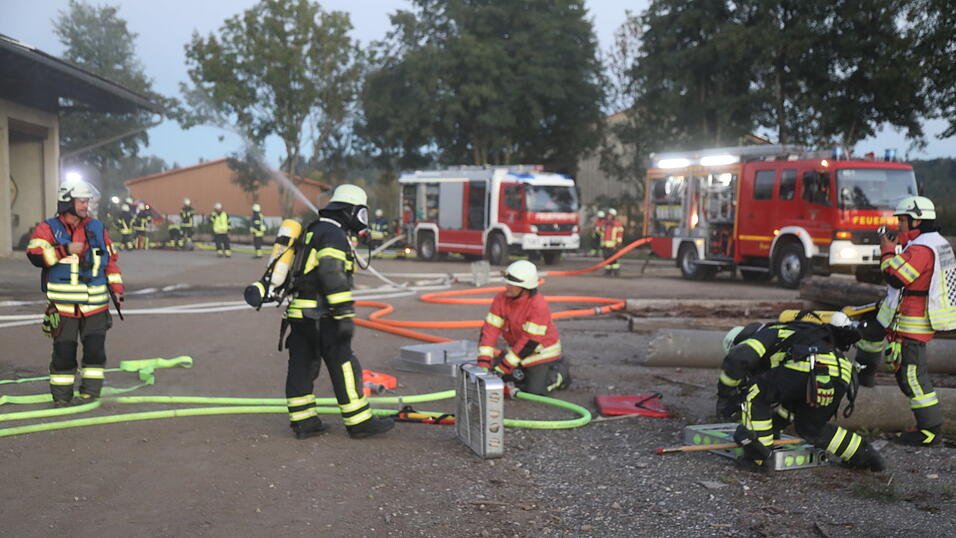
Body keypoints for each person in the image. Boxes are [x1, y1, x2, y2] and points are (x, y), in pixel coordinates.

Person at [279, 184, 394, 439]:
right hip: (323, 316)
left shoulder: (314, 229)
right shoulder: (333, 235)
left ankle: (304, 421)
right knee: (344, 363)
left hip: (299, 313)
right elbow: (331, 273)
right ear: (350, 211)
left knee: (302, 366)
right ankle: (359, 422)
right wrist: (343, 313)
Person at [716, 313, 884, 471]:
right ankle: (865, 456)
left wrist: (725, 394)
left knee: (755, 392)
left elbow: (739, 358)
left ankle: (756, 458)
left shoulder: (768, 333)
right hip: (841, 373)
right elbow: (791, 402)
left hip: (810, 363)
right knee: (811, 428)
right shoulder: (794, 341)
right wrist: (774, 427)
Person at [26, 179, 124, 407]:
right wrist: (64, 250)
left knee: (95, 353)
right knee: (63, 353)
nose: (86, 205)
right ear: (67, 202)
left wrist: (117, 290)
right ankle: (62, 397)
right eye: (81, 201)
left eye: (87, 201)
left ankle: (90, 394)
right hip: (63, 308)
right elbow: (35, 256)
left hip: (96, 307)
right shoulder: (48, 228)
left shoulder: (97, 228)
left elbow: (110, 262)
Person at [876, 195, 956, 446]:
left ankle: (929, 430)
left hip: (914, 322)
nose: (898, 225)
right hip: (916, 321)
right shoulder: (934, 243)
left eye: (902, 220)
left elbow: (896, 278)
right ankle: (926, 426)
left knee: (912, 376)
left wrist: (887, 251)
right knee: (907, 375)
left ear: (917, 220)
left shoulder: (921, 249)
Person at [476, 260, 571, 395]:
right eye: (507, 283)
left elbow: (529, 342)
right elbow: (489, 331)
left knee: (535, 390)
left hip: (542, 353)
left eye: (512, 284)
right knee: (498, 375)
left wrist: (504, 366)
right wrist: (483, 364)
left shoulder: (537, 306)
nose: (507, 287)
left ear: (525, 288)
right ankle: (522, 374)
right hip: (519, 349)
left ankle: (561, 373)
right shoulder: (501, 300)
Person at [601, 209, 624, 276]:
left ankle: (616, 271)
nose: (608, 216)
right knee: (606, 259)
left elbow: (620, 234)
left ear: (613, 216)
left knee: (613, 259)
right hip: (605, 245)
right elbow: (602, 234)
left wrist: (618, 243)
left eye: (610, 215)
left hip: (613, 245)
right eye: (608, 215)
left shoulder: (617, 224)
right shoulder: (605, 224)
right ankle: (608, 271)